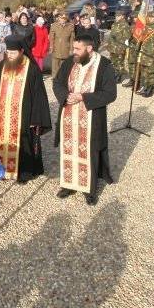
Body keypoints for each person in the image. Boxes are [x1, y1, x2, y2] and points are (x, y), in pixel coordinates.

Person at [53, 34, 116, 205]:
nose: (74, 52)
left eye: (77, 49)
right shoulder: (70, 62)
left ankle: (89, 189)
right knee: (69, 150)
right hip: (68, 116)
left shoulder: (104, 65)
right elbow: (57, 83)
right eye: (73, 48)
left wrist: (83, 97)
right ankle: (68, 184)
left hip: (91, 118)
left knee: (89, 151)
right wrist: (66, 96)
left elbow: (110, 94)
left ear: (89, 49)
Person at [0, 36, 52, 183]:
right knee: (1, 141)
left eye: (13, 53)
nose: (10, 55)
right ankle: (2, 169)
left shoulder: (32, 69)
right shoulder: (2, 66)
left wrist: (36, 119)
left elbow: (39, 96)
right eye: (8, 52)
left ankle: (23, 172)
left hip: (23, 115)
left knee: (24, 141)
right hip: (2, 115)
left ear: (21, 51)